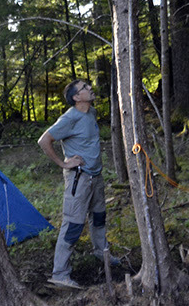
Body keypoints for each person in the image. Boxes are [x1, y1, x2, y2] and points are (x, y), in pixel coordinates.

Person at [38, 79, 117, 289]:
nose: (90, 88)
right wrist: (63, 163)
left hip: (96, 177)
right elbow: (44, 141)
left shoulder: (90, 113)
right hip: (78, 179)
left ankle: (101, 253)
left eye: (88, 86)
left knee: (99, 217)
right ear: (75, 97)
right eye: (84, 88)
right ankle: (60, 274)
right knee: (73, 225)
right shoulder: (69, 118)